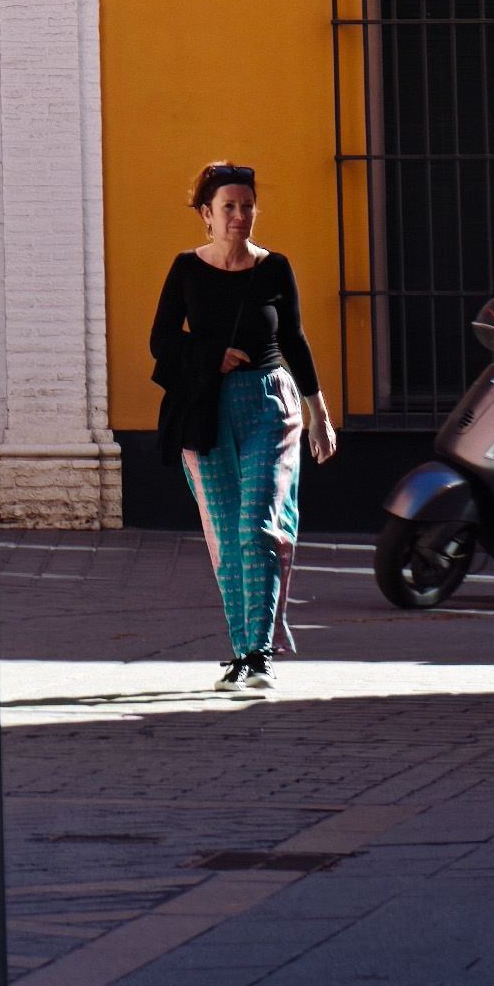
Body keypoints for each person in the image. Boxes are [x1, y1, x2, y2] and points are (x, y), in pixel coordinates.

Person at [147, 163, 336, 694]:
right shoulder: (187, 268)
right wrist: (211, 354)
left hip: (269, 406)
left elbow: (294, 340)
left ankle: (259, 654)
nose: (240, 215)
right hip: (207, 410)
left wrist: (318, 413)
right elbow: (160, 341)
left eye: (247, 205)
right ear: (206, 214)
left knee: (257, 524)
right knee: (227, 537)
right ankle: (241, 650)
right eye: (228, 206)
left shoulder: (274, 267)